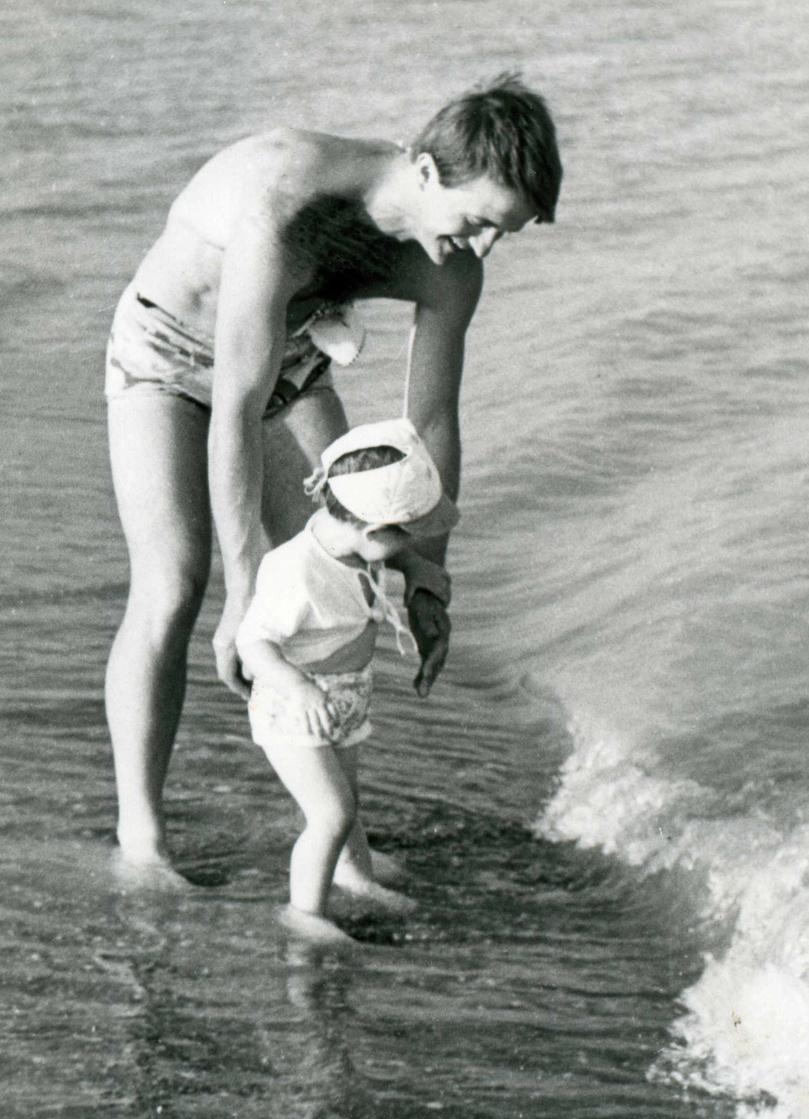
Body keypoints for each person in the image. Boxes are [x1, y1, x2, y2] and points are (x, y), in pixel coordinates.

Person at [103, 73, 563, 871]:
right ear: (425, 172)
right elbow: (236, 412)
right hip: (169, 361)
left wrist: (428, 577)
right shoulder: (287, 203)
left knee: (343, 583)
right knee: (177, 585)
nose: (483, 250)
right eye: (480, 222)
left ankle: (344, 844)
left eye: (506, 234)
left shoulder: (449, 265)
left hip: (291, 369)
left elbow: (432, 425)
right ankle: (140, 838)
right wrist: (245, 593)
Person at [235, 418, 459, 941]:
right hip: (296, 706)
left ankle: (355, 877)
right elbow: (253, 644)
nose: (411, 547)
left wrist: (414, 570)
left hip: (346, 695)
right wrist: (298, 687)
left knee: (346, 799)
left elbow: (390, 553)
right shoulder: (295, 570)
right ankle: (304, 914)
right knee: (331, 812)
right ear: (374, 530)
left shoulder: (354, 543)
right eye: (406, 536)